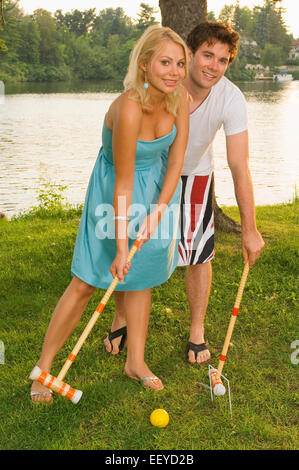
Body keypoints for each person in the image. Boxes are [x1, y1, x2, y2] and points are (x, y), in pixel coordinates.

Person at [30, 25, 189, 402]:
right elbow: (122, 182)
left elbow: (176, 161)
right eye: (165, 62)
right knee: (87, 280)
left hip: (157, 190)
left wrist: (158, 211)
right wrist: (121, 245)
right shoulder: (129, 107)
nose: (174, 71)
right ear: (146, 64)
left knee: (141, 275)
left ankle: (135, 361)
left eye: (180, 63)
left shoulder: (179, 99)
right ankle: (44, 369)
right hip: (115, 189)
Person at [105, 21, 265, 365]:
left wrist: (249, 230)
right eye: (207, 55)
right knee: (134, 249)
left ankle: (196, 331)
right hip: (148, 174)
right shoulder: (160, 86)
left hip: (195, 176)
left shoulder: (231, 97)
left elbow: (240, 165)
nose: (213, 66)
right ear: (189, 54)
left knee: (198, 254)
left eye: (223, 60)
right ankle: (121, 318)